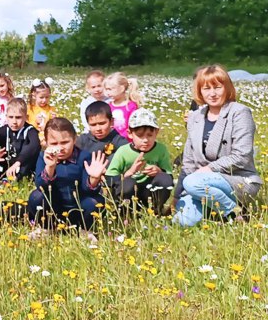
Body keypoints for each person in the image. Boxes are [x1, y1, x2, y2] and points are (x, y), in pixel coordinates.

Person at [174, 65, 262, 227]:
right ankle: (213, 210)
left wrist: (209, 169)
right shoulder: (195, 117)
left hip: (238, 179)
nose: (212, 93)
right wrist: (178, 195)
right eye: (206, 88)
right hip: (198, 182)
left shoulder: (240, 113)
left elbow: (241, 156)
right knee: (182, 221)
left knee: (193, 183)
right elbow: (188, 161)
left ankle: (233, 212)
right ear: (200, 91)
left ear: (227, 88)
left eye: (217, 87)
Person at [27, 118, 107, 235]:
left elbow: (88, 191)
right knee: (36, 196)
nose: (60, 148)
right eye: (54, 144)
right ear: (46, 143)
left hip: (79, 209)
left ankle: (86, 231)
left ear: (74, 139)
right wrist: (50, 167)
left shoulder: (84, 157)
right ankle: (47, 228)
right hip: (54, 209)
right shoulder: (43, 157)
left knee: (96, 201)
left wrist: (94, 179)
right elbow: (41, 186)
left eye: (65, 142)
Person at [106, 108, 174, 214]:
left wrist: (159, 170)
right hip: (129, 192)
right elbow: (109, 179)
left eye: (150, 135)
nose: (145, 140)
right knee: (128, 184)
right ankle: (126, 213)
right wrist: (130, 172)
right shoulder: (123, 151)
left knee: (164, 179)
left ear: (157, 132)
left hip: (149, 191)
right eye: (140, 135)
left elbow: (169, 176)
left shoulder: (161, 149)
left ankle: (155, 210)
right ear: (130, 133)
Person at [0, 98, 39, 180]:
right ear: (6, 117)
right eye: (11, 117)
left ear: (26, 117)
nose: (14, 121)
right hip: (7, 164)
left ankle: (9, 181)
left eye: (18, 117)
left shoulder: (30, 131)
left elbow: (34, 146)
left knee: (28, 157)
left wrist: (18, 162)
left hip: (23, 166)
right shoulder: (5, 129)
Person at [104, 72, 142, 140]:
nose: (108, 93)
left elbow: (133, 125)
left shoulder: (131, 106)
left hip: (127, 142)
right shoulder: (108, 106)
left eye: (110, 89)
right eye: (106, 89)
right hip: (111, 141)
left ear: (122, 88)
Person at [27, 78, 57, 146]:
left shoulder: (51, 109)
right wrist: (35, 122)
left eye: (47, 97)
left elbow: (54, 127)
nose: (44, 100)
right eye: (41, 97)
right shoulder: (29, 109)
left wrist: (54, 120)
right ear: (34, 95)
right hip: (32, 138)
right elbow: (26, 126)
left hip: (47, 138)